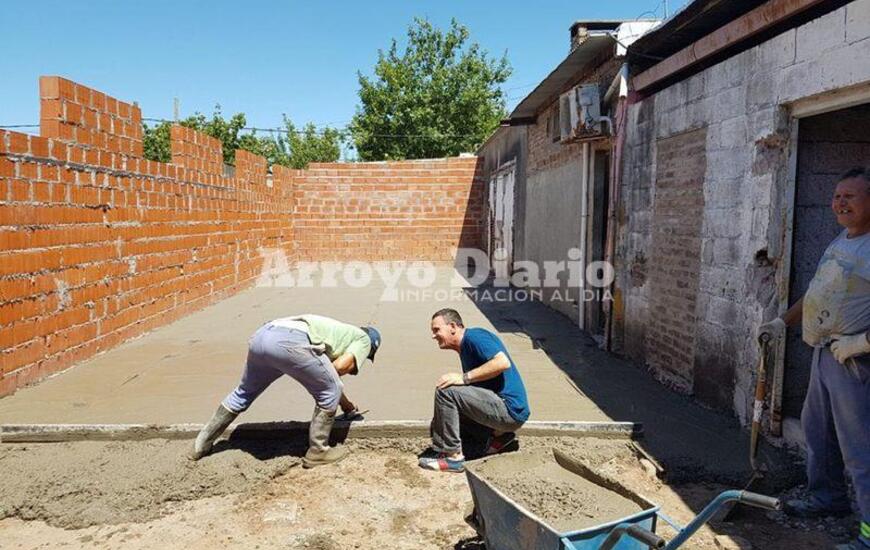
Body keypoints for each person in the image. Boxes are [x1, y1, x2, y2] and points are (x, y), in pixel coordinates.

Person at [758, 167, 870, 550]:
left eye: (849, 197)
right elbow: (816, 292)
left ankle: (869, 535)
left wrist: (862, 343)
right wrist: (781, 322)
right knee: (817, 431)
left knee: (860, 448)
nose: (839, 203)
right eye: (837, 195)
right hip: (824, 354)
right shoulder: (842, 240)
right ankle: (828, 499)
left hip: (854, 361)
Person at [190, 314, 381, 468]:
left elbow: (328, 378)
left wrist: (347, 408)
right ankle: (318, 452)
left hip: (262, 335)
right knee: (331, 388)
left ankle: (201, 445)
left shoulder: (338, 332)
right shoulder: (364, 339)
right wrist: (341, 400)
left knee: (244, 392)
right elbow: (338, 369)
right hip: (289, 341)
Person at [420, 308, 530, 473]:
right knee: (439, 423)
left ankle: (452, 457)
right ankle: (498, 438)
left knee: (446, 391)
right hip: (505, 412)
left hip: (509, 409)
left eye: (437, 330)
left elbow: (502, 362)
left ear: (452, 326)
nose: (433, 335)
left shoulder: (475, 337)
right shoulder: (465, 348)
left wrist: (464, 378)